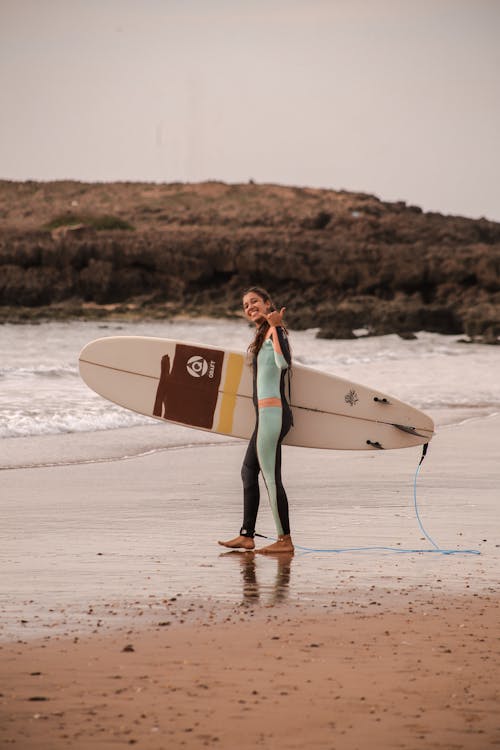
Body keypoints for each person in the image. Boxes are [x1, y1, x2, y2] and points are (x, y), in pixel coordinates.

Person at [218, 287, 294, 554]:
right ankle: (246, 535)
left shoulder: (275, 332)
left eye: (255, 302)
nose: (250, 307)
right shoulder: (262, 335)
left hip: (272, 416)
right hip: (266, 417)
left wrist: (277, 327)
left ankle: (285, 540)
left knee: (271, 478)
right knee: (248, 472)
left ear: (268, 303)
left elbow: (284, 363)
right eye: (246, 305)